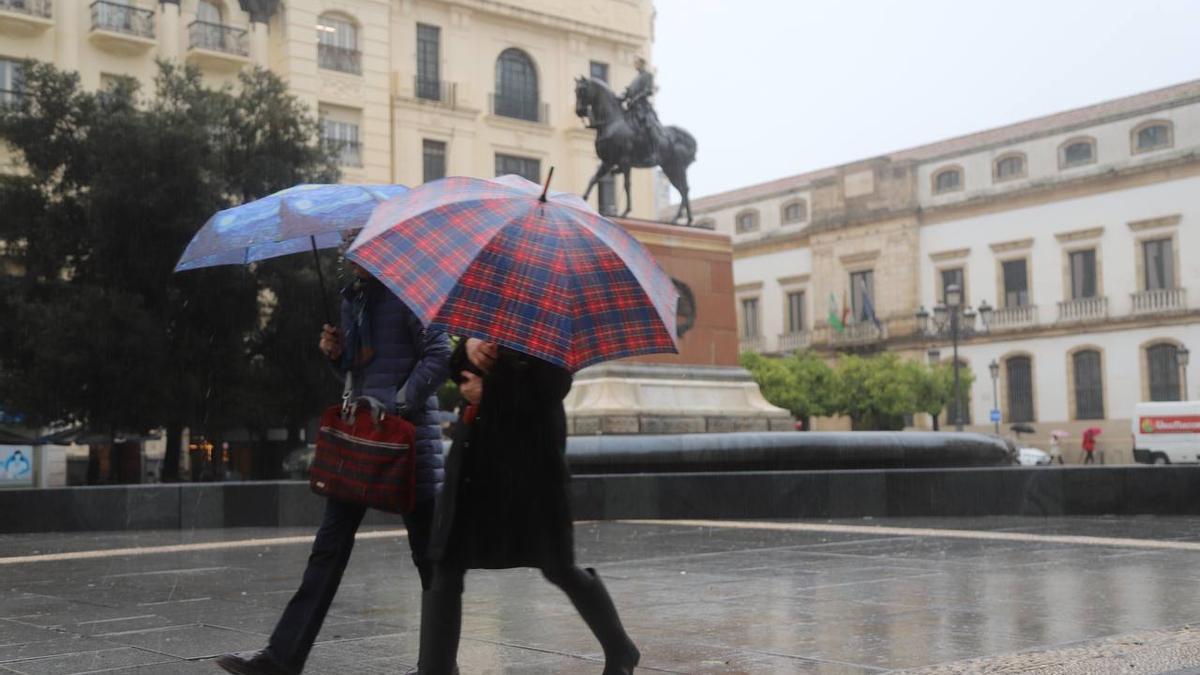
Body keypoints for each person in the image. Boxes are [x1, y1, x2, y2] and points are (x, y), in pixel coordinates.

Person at [217, 252, 451, 675]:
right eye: (346, 245)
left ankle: (438, 666)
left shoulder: (413, 291)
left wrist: (397, 405)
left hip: (408, 443)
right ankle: (281, 660)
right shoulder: (352, 300)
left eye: (356, 244)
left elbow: (439, 356)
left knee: (430, 560)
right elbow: (356, 373)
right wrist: (336, 355)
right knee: (327, 549)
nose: (348, 255)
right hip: (361, 439)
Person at [414, 338, 640, 675]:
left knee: (557, 565)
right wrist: (470, 347)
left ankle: (620, 649)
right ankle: (436, 669)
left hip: (530, 469)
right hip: (476, 463)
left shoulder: (548, 323)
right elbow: (457, 366)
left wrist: (490, 390)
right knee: (446, 561)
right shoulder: (490, 305)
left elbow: (551, 386)